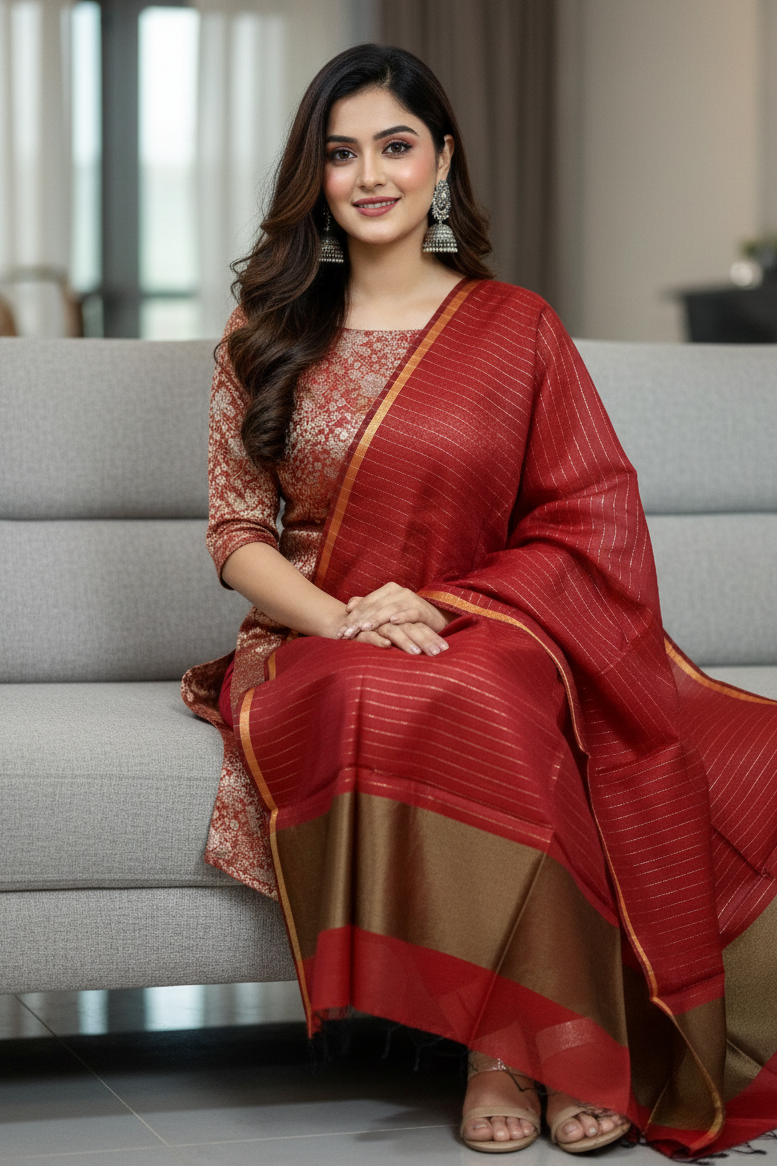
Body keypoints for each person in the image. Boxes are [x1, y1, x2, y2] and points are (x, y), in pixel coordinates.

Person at [183, 43, 777, 1157]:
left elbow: (586, 518)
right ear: (312, 174)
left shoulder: (517, 328)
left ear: (442, 159)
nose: (369, 175)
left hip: (487, 622)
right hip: (319, 633)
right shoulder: (264, 333)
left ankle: (527, 1032)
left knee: (507, 695)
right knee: (416, 691)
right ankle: (514, 1042)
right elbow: (236, 534)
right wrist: (346, 613)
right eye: (341, 151)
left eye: (395, 147)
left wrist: (449, 606)